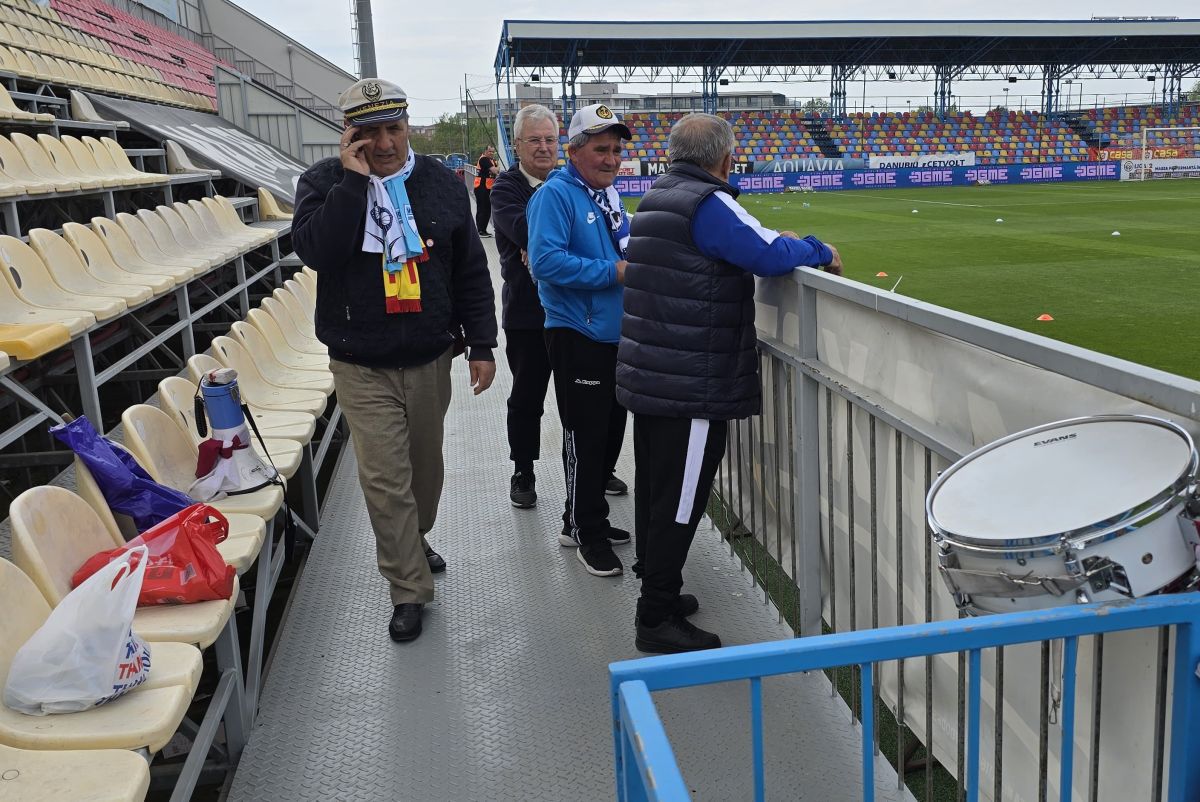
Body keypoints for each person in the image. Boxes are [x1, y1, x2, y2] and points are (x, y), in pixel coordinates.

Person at [616, 112, 842, 654]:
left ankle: (660, 589)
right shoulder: (707, 202)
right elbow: (765, 252)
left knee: (657, 488)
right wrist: (818, 249)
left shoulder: (657, 195)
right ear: (725, 158)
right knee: (679, 498)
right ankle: (655, 617)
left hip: (655, 374)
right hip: (689, 382)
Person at [292, 78, 498, 643]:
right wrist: (355, 185)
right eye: (370, 133)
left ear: (407, 126)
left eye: (394, 129)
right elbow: (316, 251)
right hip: (360, 361)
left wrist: (482, 344)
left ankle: (416, 535)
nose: (384, 143)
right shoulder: (323, 184)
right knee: (385, 479)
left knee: (424, 472)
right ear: (350, 135)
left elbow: (470, 273)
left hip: (431, 354)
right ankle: (407, 587)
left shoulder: (440, 184)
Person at [527, 103, 633, 577]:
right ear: (573, 151)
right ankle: (585, 530)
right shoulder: (557, 195)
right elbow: (544, 262)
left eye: (615, 150)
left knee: (610, 434)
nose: (611, 159)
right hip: (578, 334)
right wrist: (614, 272)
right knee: (585, 438)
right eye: (600, 149)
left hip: (614, 335)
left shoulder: (606, 197)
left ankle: (584, 518)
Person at [474, 145, 498, 237]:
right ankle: (480, 230)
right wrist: (497, 169)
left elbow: (496, 170)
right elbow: (495, 171)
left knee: (487, 209)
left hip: (488, 187)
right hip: (481, 187)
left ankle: (483, 229)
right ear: (485, 151)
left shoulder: (492, 160)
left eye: (493, 152)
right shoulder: (484, 159)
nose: (491, 153)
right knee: (482, 209)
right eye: (489, 151)